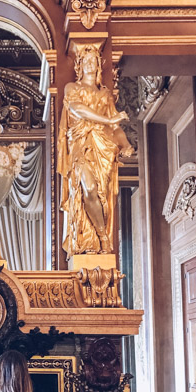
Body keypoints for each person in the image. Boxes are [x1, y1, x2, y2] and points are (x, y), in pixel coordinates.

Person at [57, 44, 133, 258]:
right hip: (81, 145)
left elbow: (116, 128)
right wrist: (108, 119)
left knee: (102, 195)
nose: (91, 65)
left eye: (94, 61)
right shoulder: (72, 88)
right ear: (80, 66)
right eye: (87, 61)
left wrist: (125, 144)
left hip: (104, 147)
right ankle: (102, 236)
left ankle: (100, 235)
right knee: (88, 188)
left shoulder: (106, 94)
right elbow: (77, 109)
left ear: (99, 66)